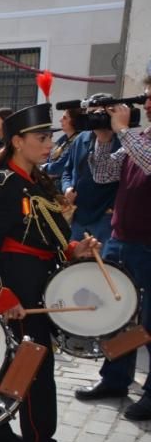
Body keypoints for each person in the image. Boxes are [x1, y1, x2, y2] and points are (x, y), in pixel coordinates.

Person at [0, 99, 100, 442]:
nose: (48, 143)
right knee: (35, 367)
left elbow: (45, 237)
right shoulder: (1, 185)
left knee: (14, 363)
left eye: (49, 136)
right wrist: (0, 294)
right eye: (41, 137)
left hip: (39, 282)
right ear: (18, 141)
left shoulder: (37, 180)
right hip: (17, 288)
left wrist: (75, 249)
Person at [74, 78, 151, 420]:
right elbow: (105, 173)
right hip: (122, 238)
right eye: (146, 98)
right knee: (120, 315)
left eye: (149, 98)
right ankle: (115, 378)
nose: (146, 104)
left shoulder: (137, 141)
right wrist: (104, 138)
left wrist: (121, 130)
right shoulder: (141, 138)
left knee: (149, 322)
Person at [60, 98, 120, 243]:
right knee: (75, 263)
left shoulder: (121, 141)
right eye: (90, 114)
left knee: (103, 263)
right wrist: (67, 188)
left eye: (98, 114)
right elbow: (67, 170)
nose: (94, 119)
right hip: (78, 214)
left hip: (104, 217)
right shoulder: (81, 139)